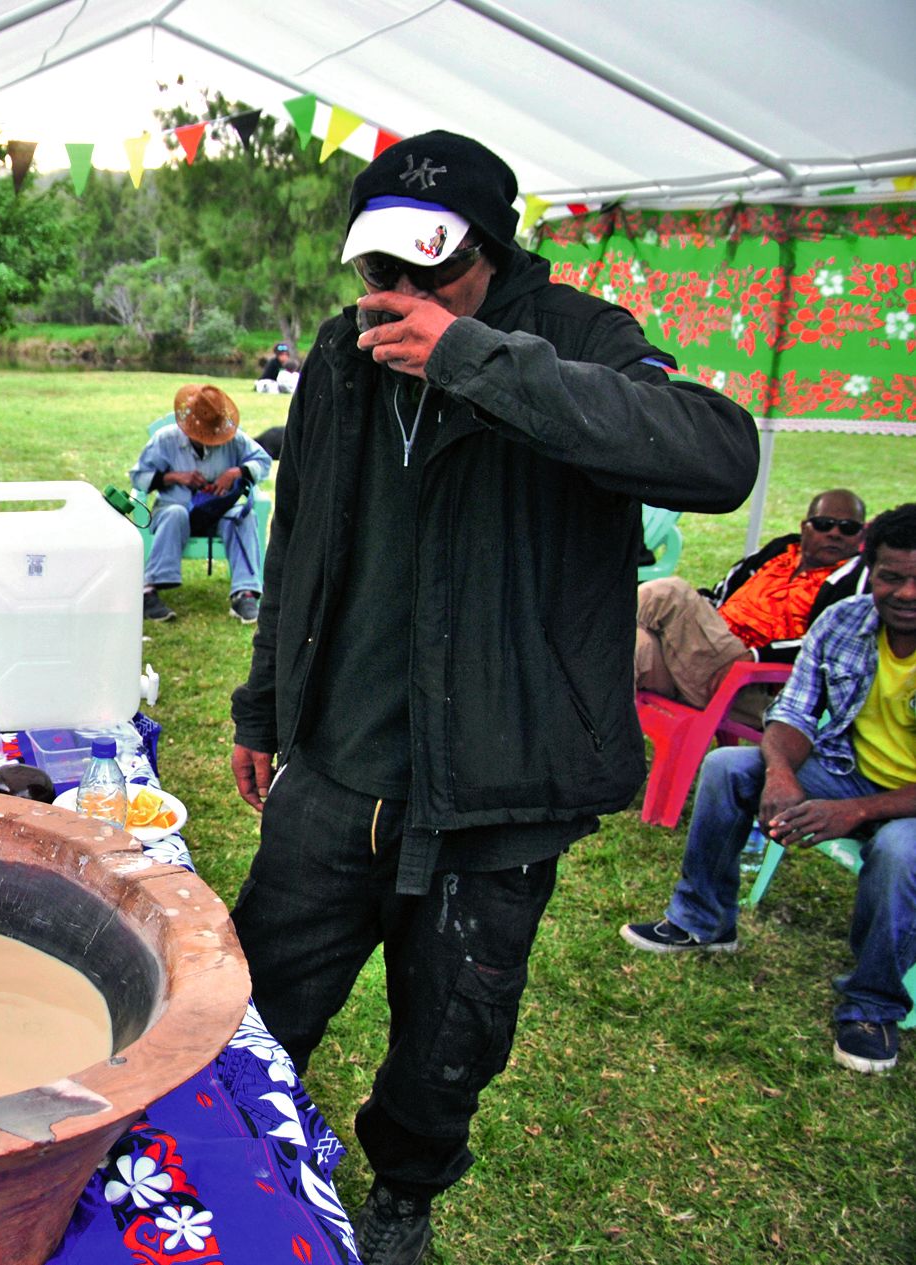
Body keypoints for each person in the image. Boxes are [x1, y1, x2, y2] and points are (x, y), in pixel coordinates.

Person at [225, 131, 757, 1263]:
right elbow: (301, 529)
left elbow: (718, 458)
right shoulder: (337, 351)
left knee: (451, 1035)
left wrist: (474, 356)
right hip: (338, 768)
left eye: (434, 273)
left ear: (495, 252)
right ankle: (235, 1165)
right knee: (251, 1005)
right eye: (382, 273)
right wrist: (263, 707)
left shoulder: (574, 337)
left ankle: (404, 1192)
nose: (402, 299)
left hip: (497, 784)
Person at [621, 503, 916, 1076]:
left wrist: (848, 810)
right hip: (848, 770)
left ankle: (872, 1005)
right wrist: (781, 774)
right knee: (731, 767)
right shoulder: (846, 622)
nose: (905, 593)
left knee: (900, 852)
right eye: (891, 577)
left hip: (903, 802)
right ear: (871, 572)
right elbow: (796, 711)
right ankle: (704, 920)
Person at [637, 489, 868, 722]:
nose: (835, 533)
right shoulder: (781, 551)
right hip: (704, 661)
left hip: (755, 684)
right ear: (805, 527)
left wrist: (755, 657)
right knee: (633, 645)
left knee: (669, 592)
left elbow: (827, 645)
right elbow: (722, 594)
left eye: (848, 528)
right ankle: (606, 750)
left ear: (861, 535)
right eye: (824, 524)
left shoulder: (854, 579)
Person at [131, 384, 272, 625]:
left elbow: (263, 461)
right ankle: (149, 590)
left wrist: (236, 472)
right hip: (175, 510)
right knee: (175, 513)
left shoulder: (234, 439)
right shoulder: (165, 439)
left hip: (219, 512)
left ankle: (245, 594)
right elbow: (139, 476)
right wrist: (176, 477)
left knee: (242, 516)